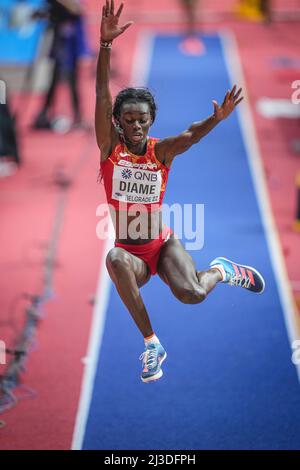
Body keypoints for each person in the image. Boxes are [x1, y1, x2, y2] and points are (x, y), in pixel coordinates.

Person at [96, 1, 265, 383]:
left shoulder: (161, 151)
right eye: (128, 120)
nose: (136, 125)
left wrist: (215, 120)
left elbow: (190, 135)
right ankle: (152, 344)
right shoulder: (110, 150)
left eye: (142, 119)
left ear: (150, 120)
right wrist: (105, 47)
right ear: (118, 123)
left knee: (192, 294)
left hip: (161, 244)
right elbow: (101, 98)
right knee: (116, 259)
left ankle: (221, 270)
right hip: (132, 253)